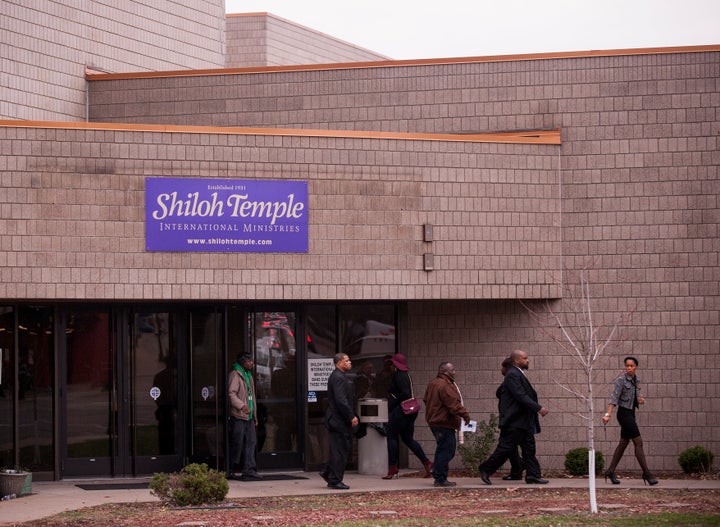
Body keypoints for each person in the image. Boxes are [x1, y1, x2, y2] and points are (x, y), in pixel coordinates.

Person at [478, 349, 549, 485]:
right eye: (525, 358)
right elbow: (520, 395)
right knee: (505, 449)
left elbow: (502, 393)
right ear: (517, 360)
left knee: (529, 449)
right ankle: (486, 469)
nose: (527, 360)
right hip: (514, 422)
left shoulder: (517, 374)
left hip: (524, 421)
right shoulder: (512, 374)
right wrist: (538, 408)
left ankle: (533, 475)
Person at [602, 356, 658, 485]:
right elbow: (614, 398)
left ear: (636, 367)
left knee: (623, 443)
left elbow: (637, 397)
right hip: (623, 414)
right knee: (638, 442)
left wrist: (641, 400)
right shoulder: (621, 381)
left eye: (631, 366)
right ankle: (647, 474)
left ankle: (610, 471)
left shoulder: (637, 380)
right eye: (627, 366)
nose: (629, 368)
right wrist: (608, 414)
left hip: (631, 414)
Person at [382, 353, 433, 479]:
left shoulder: (399, 376)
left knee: (391, 437)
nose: (390, 366)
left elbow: (404, 393)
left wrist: (392, 402)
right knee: (407, 439)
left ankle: (392, 467)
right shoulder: (406, 375)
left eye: (392, 364)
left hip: (401, 411)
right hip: (410, 410)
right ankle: (427, 463)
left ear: (395, 365)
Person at [423, 361, 470, 487]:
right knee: (447, 450)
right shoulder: (445, 385)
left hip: (435, 421)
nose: (454, 373)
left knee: (444, 449)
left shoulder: (433, 383)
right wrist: (465, 415)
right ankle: (440, 477)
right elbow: (453, 404)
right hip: (443, 422)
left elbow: (425, 400)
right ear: (445, 371)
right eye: (452, 370)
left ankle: (438, 472)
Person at [320, 353, 359, 490]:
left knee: (339, 449)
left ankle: (328, 472)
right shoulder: (338, 377)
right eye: (347, 360)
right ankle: (335, 479)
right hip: (338, 420)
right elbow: (341, 400)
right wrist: (351, 416)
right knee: (340, 451)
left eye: (349, 360)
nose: (350, 362)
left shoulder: (340, 376)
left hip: (338, 420)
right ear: (339, 363)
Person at [228, 354, 262, 481]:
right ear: (243, 362)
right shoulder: (235, 375)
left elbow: (251, 396)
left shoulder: (248, 375)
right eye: (249, 361)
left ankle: (248, 469)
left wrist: (255, 416)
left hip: (249, 416)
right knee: (237, 443)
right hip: (239, 416)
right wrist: (242, 406)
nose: (252, 363)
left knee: (251, 442)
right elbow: (231, 394)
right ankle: (231, 468)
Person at [499, 357, 524, 481]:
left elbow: (521, 396)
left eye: (502, 367)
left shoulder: (511, 377)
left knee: (507, 446)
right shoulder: (509, 380)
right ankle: (517, 469)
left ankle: (518, 468)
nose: (501, 369)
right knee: (512, 447)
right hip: (513, 420)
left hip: (511, 420)